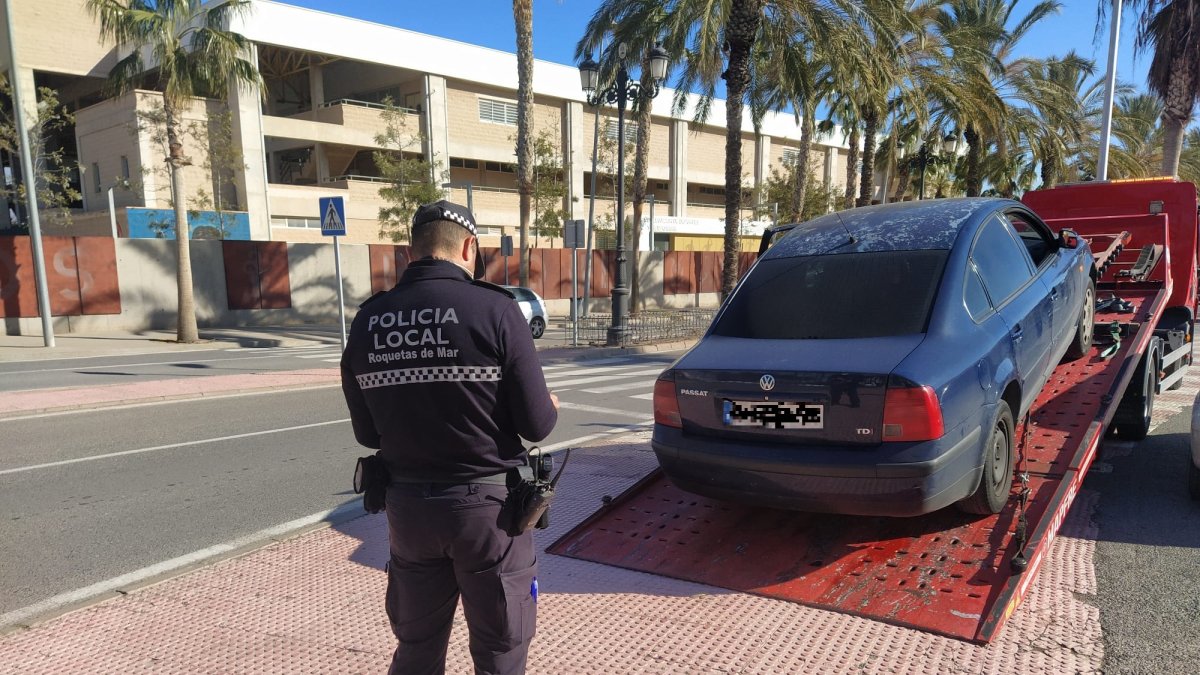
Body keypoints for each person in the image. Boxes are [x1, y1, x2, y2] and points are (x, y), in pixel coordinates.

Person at [340, 199, 559, 675]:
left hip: (409, 515)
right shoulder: (496, 310)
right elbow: (537, 425)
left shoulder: (368, 320)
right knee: (501, 650)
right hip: (488, 517)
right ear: (469, 247)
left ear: (411, 252)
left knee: (416, 650)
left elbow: (366, 432)